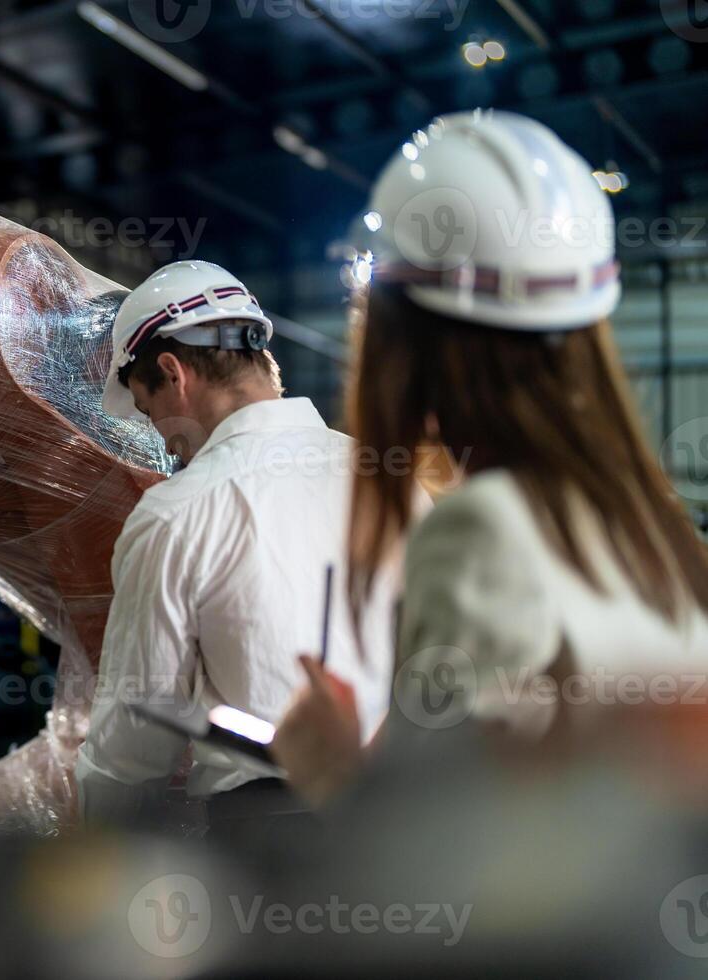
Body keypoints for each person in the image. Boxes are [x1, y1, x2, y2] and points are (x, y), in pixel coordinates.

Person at [272, 109, 708, 806]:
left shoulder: (485, 533)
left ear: (400, 338)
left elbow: (449, 882)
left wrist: (333, 771)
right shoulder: (660, 535)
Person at [74, 260, 401, 829]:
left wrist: (87, 856)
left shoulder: (178, 512)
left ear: (174, 374)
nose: (166, 446)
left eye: (150, 415)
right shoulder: (394, 483)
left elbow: (135, 745)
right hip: (416, 825)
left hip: (278, 844)